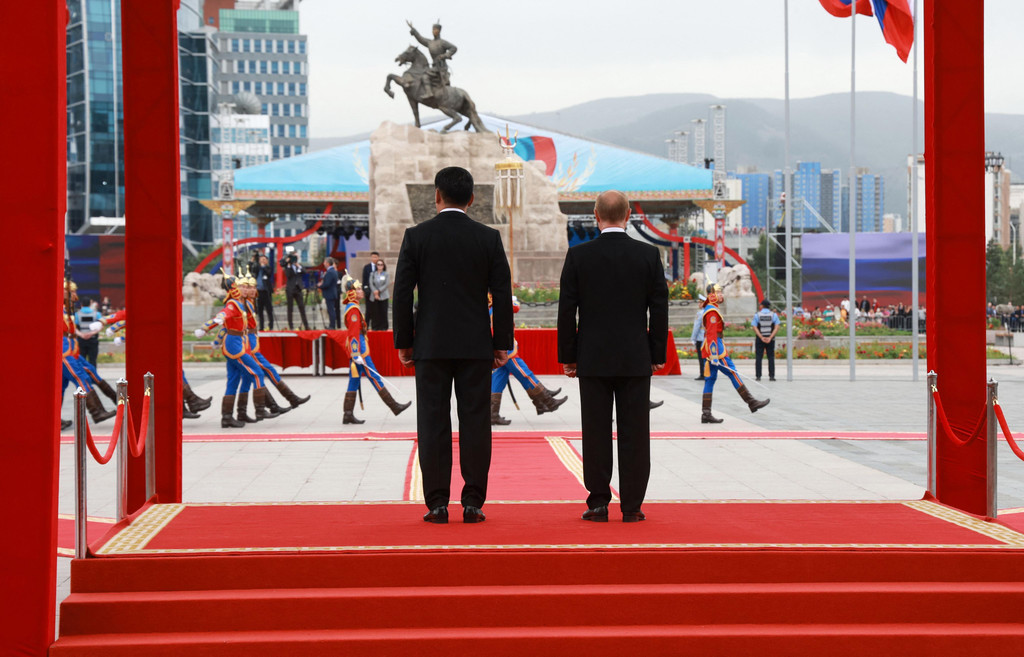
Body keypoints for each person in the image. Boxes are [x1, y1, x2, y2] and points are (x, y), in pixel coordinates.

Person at [393, 166, 513, 525]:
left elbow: (402, 293)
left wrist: (404, 341)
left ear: (436, 195)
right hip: (475, 345)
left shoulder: (417, 236)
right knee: (475, 421)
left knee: (432, 421)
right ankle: (473, 502)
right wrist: (501, 343)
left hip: (430, 343)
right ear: (471, 199)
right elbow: (502, 294)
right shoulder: (488, 238)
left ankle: (437, 503)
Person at [557, 190, 668, 523]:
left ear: (596, 215)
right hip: (635, 358)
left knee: (595, 432)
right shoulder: (648, 255)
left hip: (592, 358)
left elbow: (567, 311)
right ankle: (632, 506)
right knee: (636, 433)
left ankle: (598, 503)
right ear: (628, 215)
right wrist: (657, 354)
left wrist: (569, 356)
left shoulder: (579, 256)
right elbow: (659, 309)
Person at [339, 272, 411, 424]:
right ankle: (394, 406)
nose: (361, 291)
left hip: (358, 349)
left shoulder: (353, 307)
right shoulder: (353, 309)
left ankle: (347, 413)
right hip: (360, 350)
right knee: (374, 376)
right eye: (358, 289)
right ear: (352, 293)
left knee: (354, 380)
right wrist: (356, 353)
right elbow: (353, 334)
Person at [490, 294, 566, 425]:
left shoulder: (491, 302)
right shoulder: (495, 301)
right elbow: (515, 307)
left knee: (499, 378)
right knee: (524, 373)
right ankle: (547, 401)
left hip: (499, 345)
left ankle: (492, 413)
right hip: (505, 348)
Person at [699, 283, 770, 424]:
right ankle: (751, 402)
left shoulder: (712, 308)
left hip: (714, 346)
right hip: (716, 348)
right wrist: (714, 354)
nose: (721, 295)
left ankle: (706, 413)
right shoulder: (711, 311)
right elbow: (711, 334)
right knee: (732, 373)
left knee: (710, 379)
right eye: (719, 293)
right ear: (712, 295)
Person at [280, 246, 310, 330]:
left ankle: (306, 325)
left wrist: (297, 265)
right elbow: (288, 275)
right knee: (290, 308)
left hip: (298, 288)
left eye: (296, 257)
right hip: (290, 289)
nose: (295, 259)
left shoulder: (299, 266)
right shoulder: (288, 267)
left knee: (302, 307)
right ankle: (291, 326)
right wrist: (289, 264)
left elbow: (304, 272)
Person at [752, 299, 780, 382]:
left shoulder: (757, 315)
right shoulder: (773, 315)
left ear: (762, 306)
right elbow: (777, 327)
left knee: (758, 357)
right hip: (770, 339)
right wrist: (770, 337)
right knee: (771, 357)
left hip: (760, 339)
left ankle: (758, 376)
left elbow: (754, 327)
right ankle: (772, 376)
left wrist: (761, 337)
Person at [74, 298, 100, 367]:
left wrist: (81, 335)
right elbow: (100, 326)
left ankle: (83, 374)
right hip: (93, 339)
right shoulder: (97, 314)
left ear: (81, 304)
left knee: (82, 360)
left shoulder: (77, 314)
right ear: (90, 304)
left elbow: (74, 327)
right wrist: (91, 333)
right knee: (92, 360)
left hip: (81, 339)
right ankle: (93, 373)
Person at [367, 258, 391, 330]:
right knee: (375, 312)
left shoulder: (386, 274)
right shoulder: (372, 274)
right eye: (378, 264)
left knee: (383, 312)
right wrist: (375, 291)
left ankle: (384, 327)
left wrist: (379, 291)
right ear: (376, 266)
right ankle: (375, 327)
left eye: (381, 264)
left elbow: (386, 284)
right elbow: (371, 283)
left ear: (383, 266)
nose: (380, 266)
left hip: (384, 295)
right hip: (374, 295)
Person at [255, 254, 275, 331]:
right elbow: (252, 269)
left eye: (264, 259)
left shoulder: (268, 268)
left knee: (269, 309)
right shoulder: (257, 268)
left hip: (266, 291)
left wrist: (263, 266)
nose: (262, 261)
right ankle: (261, 327)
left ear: (267, 261)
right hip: (259, 291)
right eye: (261, 259)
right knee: (260, 310)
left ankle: (271, 326)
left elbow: (269, 274)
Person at [319, 257, 340, 329]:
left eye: (325, 262)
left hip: (330, 294)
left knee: (331, 310)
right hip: (331, 293)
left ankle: (332, 326)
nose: (323, 264)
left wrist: (320, 286)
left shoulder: (330, 272)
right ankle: (332, 325)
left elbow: (327, 284)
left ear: (328, 263)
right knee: (331, 310)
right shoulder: (332, 271)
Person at [690, 295, 706, 381]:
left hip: (700, 338)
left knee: (701, 357)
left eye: (700, 302)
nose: (699, 304)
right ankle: (707, 373)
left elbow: (696, 327)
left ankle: (703, 374)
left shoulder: (700, 313)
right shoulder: (708, 312)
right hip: (707, 338)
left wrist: (693, 338)